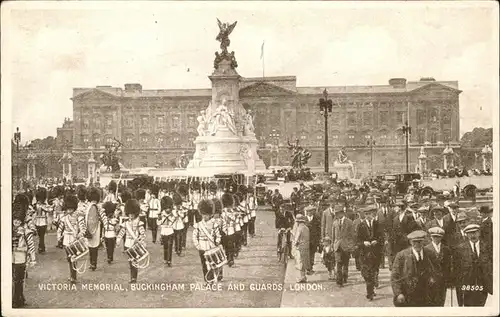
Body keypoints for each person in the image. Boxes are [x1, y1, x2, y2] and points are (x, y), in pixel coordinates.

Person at [391, 230, 436, 306]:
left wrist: (433, 279)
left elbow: (436, 271)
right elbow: (395, 276)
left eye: (420, 242)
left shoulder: (430, 254)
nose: (417, 244)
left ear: (423, 242)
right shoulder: (402, 255)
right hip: (407, 295)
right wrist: (398, 293)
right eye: (414, 242)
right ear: (410, 242)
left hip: (426, 295)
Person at [454, 223, 493, 306]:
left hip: (483, 285)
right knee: (468, 306)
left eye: (475, 232)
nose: (473, 235)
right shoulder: (460, 249)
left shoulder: (487, 247)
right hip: (467, 285)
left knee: (481, 306)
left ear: (479, 233)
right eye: (470, 233)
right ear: (467, 235)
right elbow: (457, 270)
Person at [57, 194, 86, 284]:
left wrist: (80, 234)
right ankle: (72, 275)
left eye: (71, 209)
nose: (69, 211)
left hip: (74, 239)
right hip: (66, 239)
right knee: (69, 258)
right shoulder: (64, 218)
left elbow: (83, 228)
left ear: (74, 208)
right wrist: (58, 236)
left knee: (74, 258)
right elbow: (60, 229)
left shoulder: (79, 217)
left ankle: (73, 276)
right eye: (68, 209)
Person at [12, 201, 37, 308]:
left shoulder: (26, 231)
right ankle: (20, 298)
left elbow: (31, 245)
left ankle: (16, 300)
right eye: (14, 220)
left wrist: (33, 259)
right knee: (15, 280)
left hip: (21, 258)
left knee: (18, 280)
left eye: (18, 220)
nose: (16, 222)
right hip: (10, 258)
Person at [356, 205, 383, 300]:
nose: (368, 216)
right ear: (364, 214)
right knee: (366, 274)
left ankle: (370, 292)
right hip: (364, 253)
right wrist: (363, 243)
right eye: (366, 214)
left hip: (375, 253)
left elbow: (381, 237)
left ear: (372, 214)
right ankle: (370, 292)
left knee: (373, 272)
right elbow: (357, 241)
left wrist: (377, 241)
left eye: (370, 214)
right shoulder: (360, 225)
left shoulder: (377, 224)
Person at [116, 199, 146, 284]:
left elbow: (142, 233)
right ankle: (132, 276)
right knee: (130, 261)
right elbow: (122, 232)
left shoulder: (139, 222)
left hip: (135, 244)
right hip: (127, 244)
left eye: (132, 214)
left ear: (135, 213)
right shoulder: (125, 223)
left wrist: (140, 239)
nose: (130, 216)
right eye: (129, 214)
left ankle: (134, 278)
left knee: (134, 261)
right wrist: (118, 239)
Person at [192, 199, 222, 285]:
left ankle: (211, 279)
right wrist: (198, 246)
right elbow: (194, 236)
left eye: (207, 215)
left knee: (212, 264)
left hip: (211, 246)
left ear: (210, 215)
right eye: (203, 215)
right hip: (202, 247)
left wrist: (217, 242)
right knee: (204, 265)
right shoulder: (198, 225)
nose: (205, 217)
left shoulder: (214, 224)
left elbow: (218, 235)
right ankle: (207, 280)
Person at [425, 227, 452, 306]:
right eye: (434, 236)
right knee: (430, 302)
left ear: (441, 237)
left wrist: (449, 280)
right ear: (431, 237)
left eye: (438, 236)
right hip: (430, 281)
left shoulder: (446, 249)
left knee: (441, 301)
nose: (436, 238)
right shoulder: (426, 249)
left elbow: (448, 266)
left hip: (442, 281)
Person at [332, 205, 355, 287]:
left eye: (338, 213)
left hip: (346, 246)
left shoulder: (349, 222)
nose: (337, 215)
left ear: (342, 213)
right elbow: (333, 236)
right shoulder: (335, 223)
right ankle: (339, 281)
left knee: (345, 263)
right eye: (336, 214)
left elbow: (352, 235)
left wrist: (351, 247)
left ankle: (345, 277)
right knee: (338, 263)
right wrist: (333, 245)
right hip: (337, 246)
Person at [85, 187, 108, 271]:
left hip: (96, 228)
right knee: (90, 246)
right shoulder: (88, 207)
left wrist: (106, 225)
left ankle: (94, 263)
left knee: (94, 247)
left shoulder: (98, 207)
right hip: (89, 228)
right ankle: (92, 263)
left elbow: (103, 216)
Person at [292, 214, 310, 283]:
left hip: (300, 247)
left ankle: (301, 277)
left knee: (300, 262)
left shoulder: (299, 228)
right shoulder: (306, 228)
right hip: (306, 246)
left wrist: (295, 244)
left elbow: (296, 239)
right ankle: (304, 277)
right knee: (305, 261)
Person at [158, 196, 175, 266]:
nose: (168, 209)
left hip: (170, 231)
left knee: (170, 246)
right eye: (167, 208)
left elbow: (173, 221)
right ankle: (165, 259)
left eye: (169, 208)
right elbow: (158, 223)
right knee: (165, 247)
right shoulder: (161, 214)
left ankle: (169, 261)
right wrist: (161, 218)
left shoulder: (172, 214)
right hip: (164, 231)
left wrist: (168, 216)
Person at [221, 193, 237, 267]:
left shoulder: (231, 211)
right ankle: (228, 258)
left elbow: (234, 220)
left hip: (230, 230)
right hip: (224, 231)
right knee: (226, 246)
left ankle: (231, 260)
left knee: (230, 246)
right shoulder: (222, 211)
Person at [33, 187, 50, 254]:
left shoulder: (41, 205)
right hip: (39, 222)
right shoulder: (38, 205)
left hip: (41, 222)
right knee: (40, 235)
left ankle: (41, 247)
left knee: (41, 235)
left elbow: (48, 211)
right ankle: (42, 247)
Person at [305, 205, 321, 274]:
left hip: (314, 240)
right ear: (306, 212)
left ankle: (310, 268)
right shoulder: (304, 219)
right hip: (306, 240)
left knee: (312, 255)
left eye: (311, 211)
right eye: (308, 211)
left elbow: (318, 230)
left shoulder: (316, 219)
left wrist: (318, 240)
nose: (310, 212)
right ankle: (307, 268)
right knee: (306, 255)